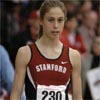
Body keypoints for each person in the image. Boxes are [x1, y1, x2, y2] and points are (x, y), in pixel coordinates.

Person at [10, 0, 83, 100]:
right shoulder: (25, 53)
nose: (56, 26)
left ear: (65, 21)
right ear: (41, 20)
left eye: (60, 20)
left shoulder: (73, 56)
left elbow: (78, 96)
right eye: (50, 20)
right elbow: (15, 94)